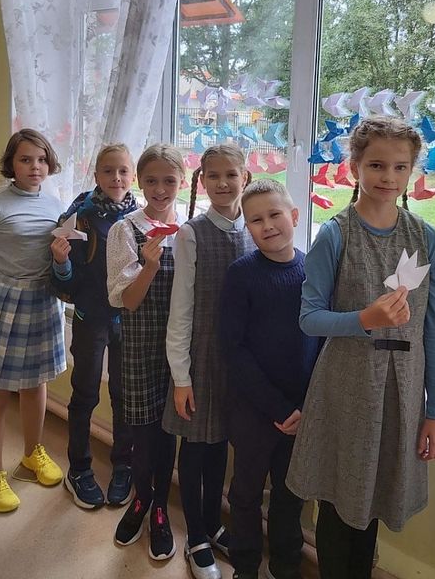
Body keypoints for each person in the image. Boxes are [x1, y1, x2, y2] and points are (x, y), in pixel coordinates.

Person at [286, 116, 435, 579]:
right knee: (340, 501)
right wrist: (364, 319)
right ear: (354, 165)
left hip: (402, 393)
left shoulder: (426, 238)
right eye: (376, 165)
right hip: (347, 389)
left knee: (374, 498)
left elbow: (433, 328)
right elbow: (309, 318)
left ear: (413, 171)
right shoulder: (336, 234)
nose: (388, 177)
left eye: (400, 167)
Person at [0, 129, 66, 513]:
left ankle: (32, 454)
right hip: (2, 306)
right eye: (25, 159)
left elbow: (58, 259)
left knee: (37, 384)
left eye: (41, 159)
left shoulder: (56, 204)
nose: (35, 167)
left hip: (43, 303)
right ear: (11, 164)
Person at [221, 179, 322, 579]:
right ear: (247, 227)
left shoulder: (313, 270)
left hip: (301, 411)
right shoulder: (241, 275)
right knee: (246, 492)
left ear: (294, 216)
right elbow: (234, 349)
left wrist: (305, 406)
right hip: (253, 411)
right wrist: (278, 408)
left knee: (290, 495)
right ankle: (245, 566)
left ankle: (286, 566)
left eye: (275, 215)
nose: (267, 226)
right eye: (256, 220)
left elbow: (322, 341)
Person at [163, 145, 255, 579]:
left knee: (220, 444)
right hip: (201, 357)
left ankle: (214, 523)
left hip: (240, 359)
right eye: (213, 175)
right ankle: (196, 535)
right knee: (197, 447)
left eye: (231, 175)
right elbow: (181, 309)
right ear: (202, 181)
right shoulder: (191, 234)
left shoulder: (255, 227)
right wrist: (181, 377)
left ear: (245, 178)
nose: (223, 183)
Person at [107, 144, 185, 561]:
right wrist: (149, 266)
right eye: (151, 180)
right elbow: (127, 301)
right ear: (139, 181)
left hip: (179, 351)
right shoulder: (125, 230)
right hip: (139, 346)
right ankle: (141, 498)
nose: (159, 189)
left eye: (169, 180)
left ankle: (160, 509)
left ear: (182, 182)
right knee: (142, 432)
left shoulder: (188, 229)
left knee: (168, 430)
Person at [51, 144, 137, 509]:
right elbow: (67, 285)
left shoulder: (141, 216)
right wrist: (61, 262)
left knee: (124, 395)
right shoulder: (79, 218)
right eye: (108, 171)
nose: (116, 178)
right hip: (91, 320)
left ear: (132, 175)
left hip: (129, 322)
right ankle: (79, 469)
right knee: (85, 394)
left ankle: (124, 467)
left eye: (123, 171)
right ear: (96, 175)